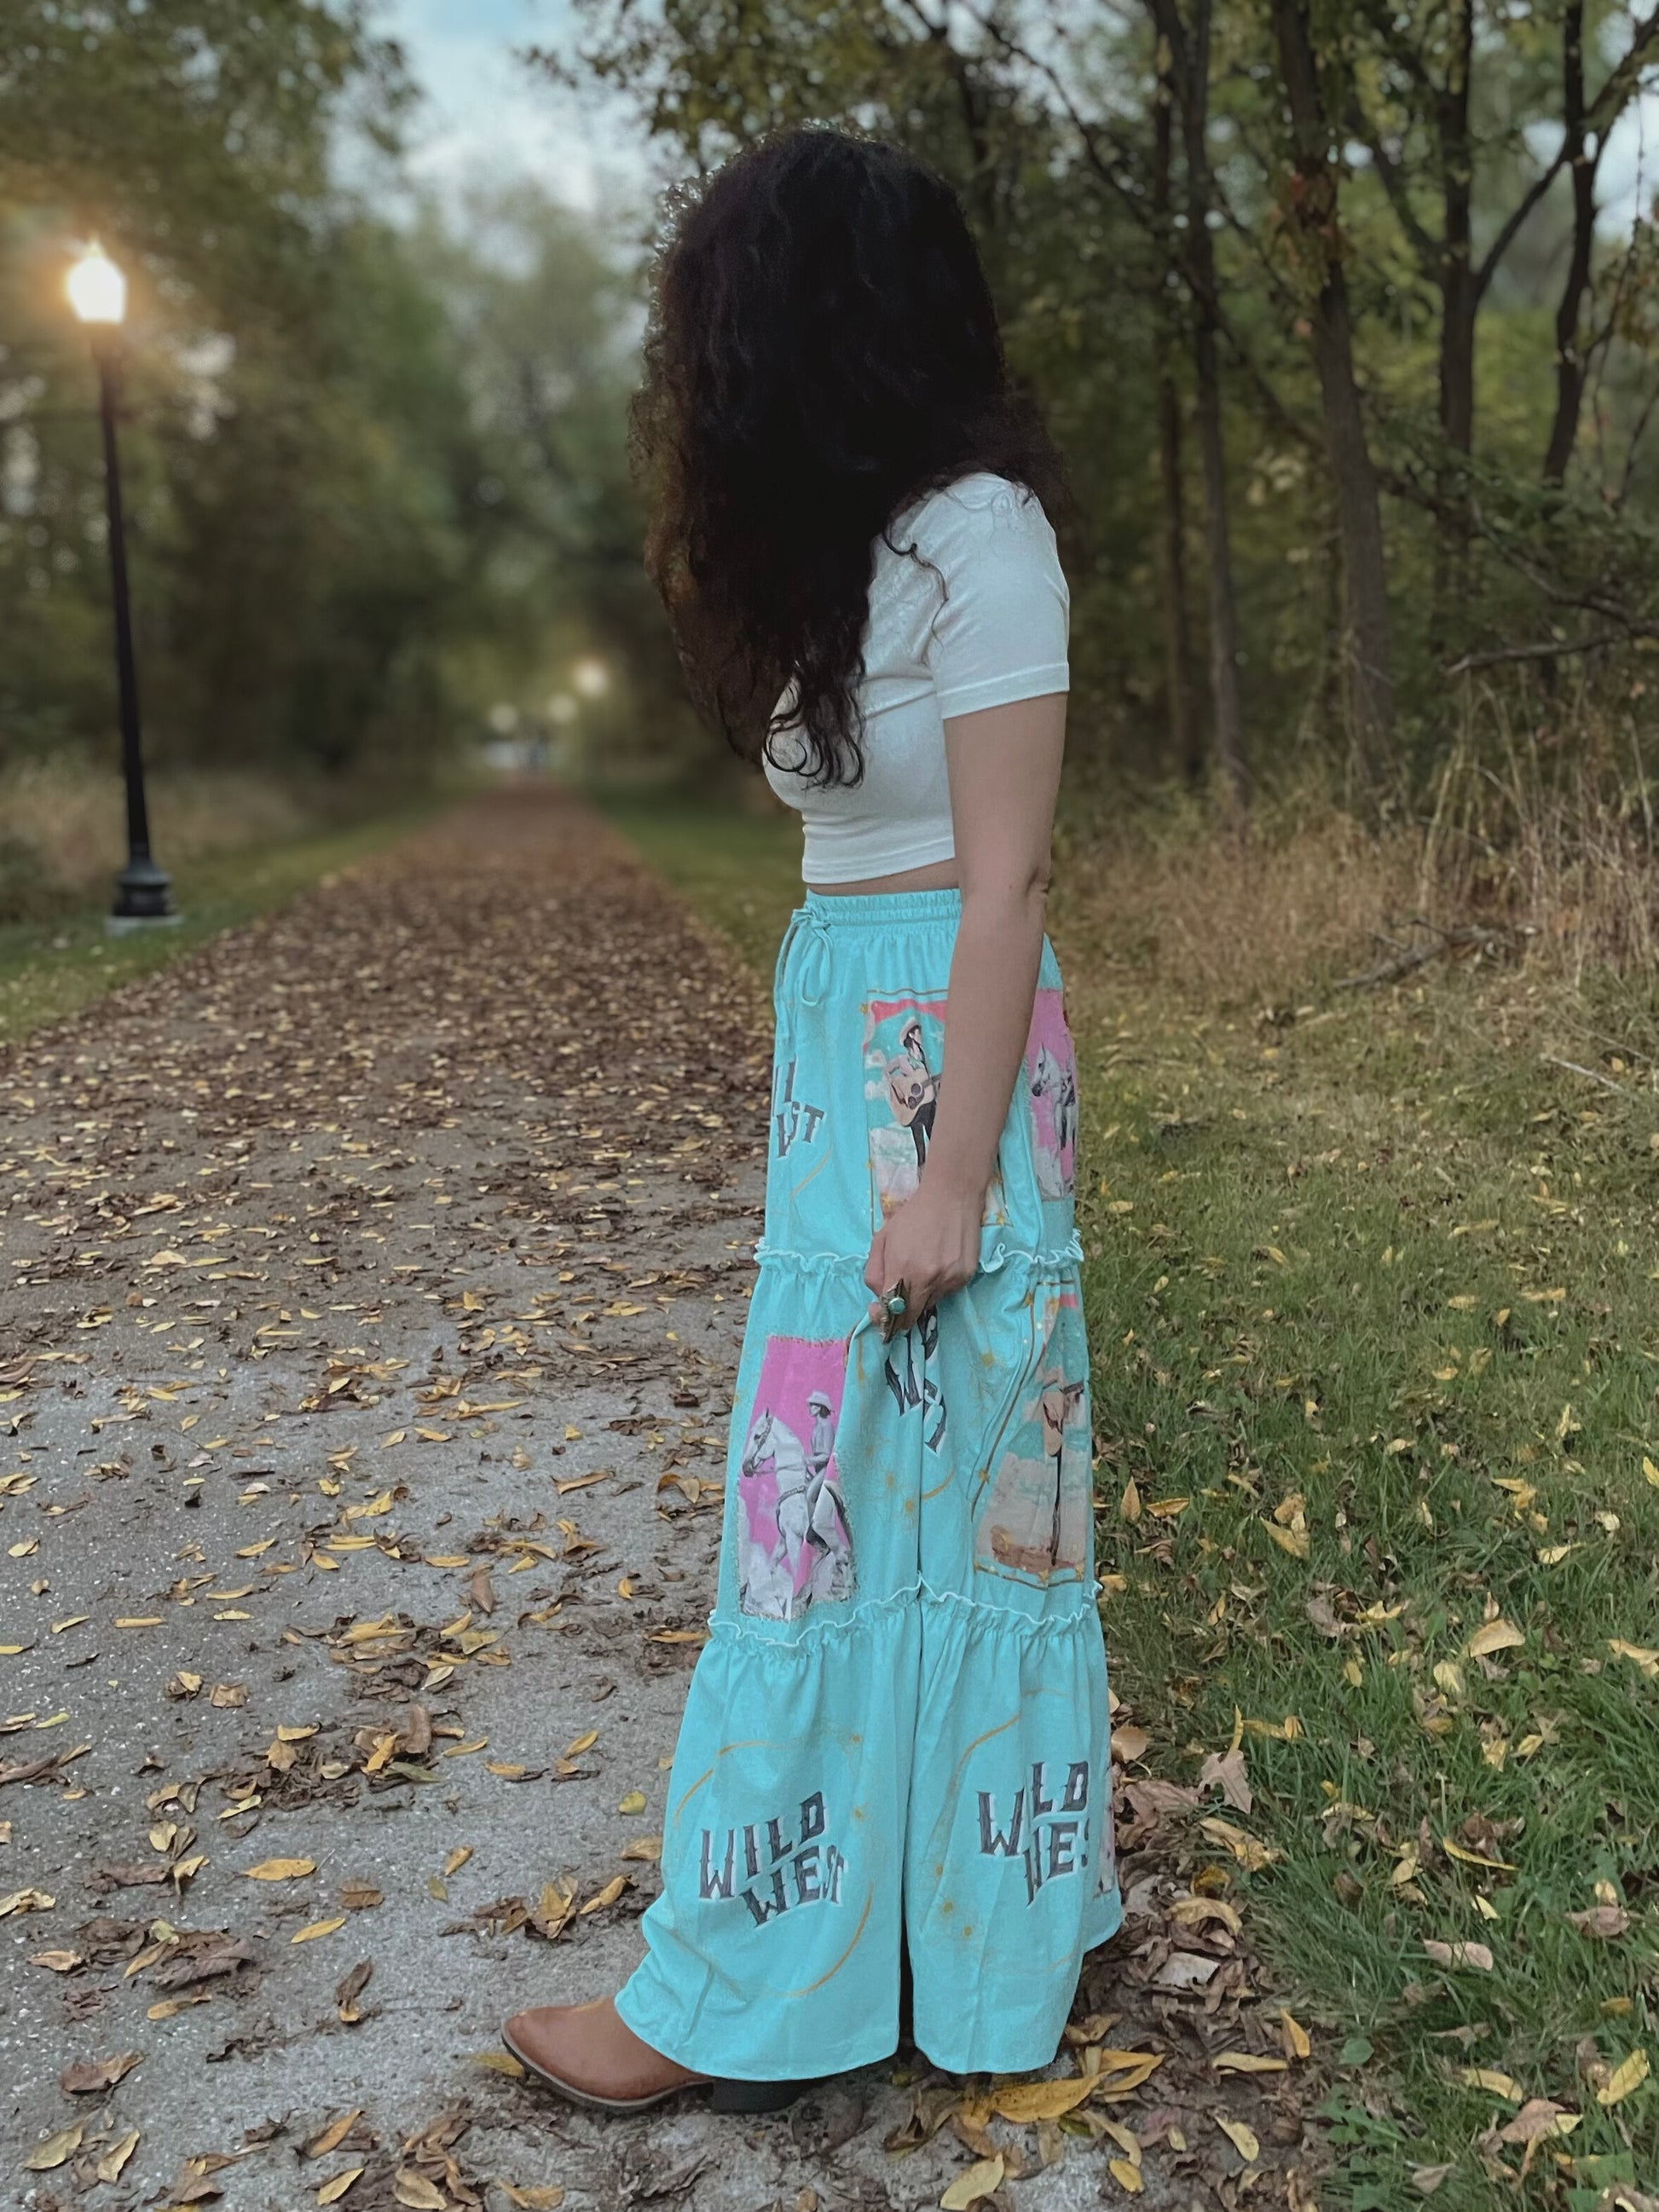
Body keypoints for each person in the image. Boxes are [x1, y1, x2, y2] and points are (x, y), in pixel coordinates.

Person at [504, 124, 1121, 2115]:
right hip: (844, 1042)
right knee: (844, 1506)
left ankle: (765, 1977)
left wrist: (948, 1177)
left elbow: (1007, 880)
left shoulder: (985, 536)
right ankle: (870, 1938)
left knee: (878, 1512)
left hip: (947, 1063)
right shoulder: (858, 546)